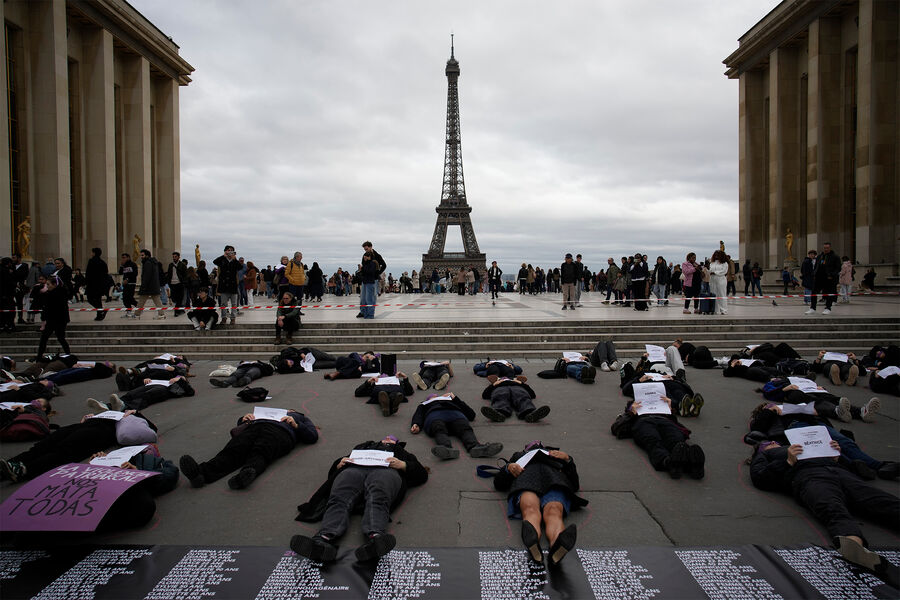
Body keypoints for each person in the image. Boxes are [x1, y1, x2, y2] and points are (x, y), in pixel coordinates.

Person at [749, 439, 899, 583]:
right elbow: (759, 477)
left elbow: (858, 469)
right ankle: (854, 544)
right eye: (768, 444)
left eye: (775, 442)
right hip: (809, 476)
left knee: (881, 501)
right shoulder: (767, 455)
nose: (773, 443)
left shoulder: (803, 446)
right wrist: (787, 462)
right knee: (831, 507)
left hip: (841, 473)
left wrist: (836, 456)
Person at [291, 436, 428, 563]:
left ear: (397, 444)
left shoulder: (401, 453)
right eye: (385, 437)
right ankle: (322, 540)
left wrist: (403, 465)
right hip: (354, 470)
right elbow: (336, 468)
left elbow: (421, 474)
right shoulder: (363, 447)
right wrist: (339, 463)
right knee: (339, 497)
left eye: (392, 439)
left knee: (378, 496)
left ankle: (376, 538)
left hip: (386, 470)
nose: (387, 439)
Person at [493, 441, 585, 566]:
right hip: (529, 480)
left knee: (552, 510)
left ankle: (557, 545)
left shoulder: (556, 455)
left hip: (553, 481)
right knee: (532, 508)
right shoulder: (518, 456)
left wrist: (568, 460)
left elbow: (574, 484)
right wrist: (508, 468)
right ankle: (534, 542)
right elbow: (499, 483)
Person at [0, 409, 158, 482]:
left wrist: (134, 412)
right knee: (46, 444)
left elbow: (151, 429)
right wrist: (91, 417)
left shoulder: (132, 420)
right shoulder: (111, 413)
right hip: (85, 425)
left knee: (63, 450)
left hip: (98, 433)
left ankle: (25, 470)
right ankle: (11, 464)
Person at [180, 409, 317, 490]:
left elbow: (312, 436)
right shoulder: (265, 411)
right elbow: (241, 423)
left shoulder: (301, 418)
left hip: (280, 432)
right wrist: (244, 419)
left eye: (292, 410)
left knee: (261, 452)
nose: (289, 410)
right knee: (234, 449)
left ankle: (245, 475)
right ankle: (200, 474)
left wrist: (296, 424)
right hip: (255, 427)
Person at [621, 394, 706, 479]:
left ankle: (690, 463)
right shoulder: (634, 403)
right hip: (644, 420)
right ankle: (667, 462)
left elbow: (673, 419)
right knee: (653, 440)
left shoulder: (663, 401)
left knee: (676, 441)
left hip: (665, 420)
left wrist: (670, 409)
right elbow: (621, 425)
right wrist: (632, 412)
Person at [409, 392, 502, 460]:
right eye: (432, 397)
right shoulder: (424, 404)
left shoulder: (451, 401)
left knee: (464, 428)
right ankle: (446, 448)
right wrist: (416, 424)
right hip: (435, 416)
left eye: (437, 396)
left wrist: (455, 398)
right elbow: (418, 415)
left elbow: (471, 414)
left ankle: (475, 447)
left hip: (455, 415)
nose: (435, 397)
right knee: (438, 428)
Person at [88, 375, 195, 413]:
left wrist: (179, 380)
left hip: (165, 389)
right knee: (132, 393)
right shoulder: (163, 371)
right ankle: (107, 406)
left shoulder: (180, 380)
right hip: (152, 383)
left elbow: (191, 392)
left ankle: (125, 406)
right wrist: (147, 379)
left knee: (146, 396)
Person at [480, 376, 550, 423]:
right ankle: (499, 413)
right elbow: (485, 395)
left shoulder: (517, 382)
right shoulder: (497, 383)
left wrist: (521, 383)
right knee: (500, 396)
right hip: (500, 388)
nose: (505, 378)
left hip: (517, 387)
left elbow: (532, 394)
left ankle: (530, 413)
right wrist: (494, 384)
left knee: (522, 396)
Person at [33, 276, 71, 361]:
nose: (47, 286)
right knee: (58, 338)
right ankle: (68, 354)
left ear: (54, 284)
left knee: (49, 338)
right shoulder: (57, 293)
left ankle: (39, 356)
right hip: (58, 320)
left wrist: (45, 318)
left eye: (48, 284)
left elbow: (48, 308)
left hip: (56, 320)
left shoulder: (55, 294)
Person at [213, 245, 241, 325]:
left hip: (233, 285)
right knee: (223, 303)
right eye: (228, 250)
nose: (230, 252)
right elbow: (215, 262)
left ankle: (233, 318)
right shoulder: (222, 260)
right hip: (224, 285)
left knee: (234, 303)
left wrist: (235, 259)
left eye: (231, 250)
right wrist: (223, 256)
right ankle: (224, 317)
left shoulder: (234, 261)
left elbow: (240, 267)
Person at [135, 249, 165, 319]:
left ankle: (137, 314)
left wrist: (143, 286)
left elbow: (146, 276)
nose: (141, 257)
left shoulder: (147, 263)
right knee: (157, 301)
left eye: (142, 255)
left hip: (148, 286)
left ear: (147, 255)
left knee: (141, 301)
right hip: (153, 286)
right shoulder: (153, 263)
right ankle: (161, 314)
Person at [210, 360, 275, 389]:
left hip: (257, 368)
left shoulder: (262, 365)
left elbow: (270, 370)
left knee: (249, 374)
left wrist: (261, 363)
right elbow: (239, 366)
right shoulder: (244, 364)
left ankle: (242, 382)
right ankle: (224, 383)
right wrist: (242, 363)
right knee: (235, 374)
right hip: (244, 367)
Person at [85, 248, 109, 320]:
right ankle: (99, 314)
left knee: (90, 298)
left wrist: (86, 282)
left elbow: (88, 273)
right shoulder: (103, 262)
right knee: (98, 299)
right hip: (100, 285)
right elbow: (106, 274)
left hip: (92, 284)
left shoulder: (91, 261)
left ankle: (100, 311)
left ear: (94, 253)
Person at [356, 251, 378, 319]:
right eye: (364, 257)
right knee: (364, 299)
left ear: (369, 257)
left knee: (369, 299)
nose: (365, 258)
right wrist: (360, 270)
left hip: (370, 283)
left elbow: (370, 272)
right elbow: (362, 273)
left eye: (366, 256)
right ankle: (365, 313)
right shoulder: (365, 264)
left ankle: (370, 314)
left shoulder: (372, 263)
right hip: (365, 282)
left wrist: (363, 269)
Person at [166, 252, 188, 316]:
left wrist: (184, 283)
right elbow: (169, 274)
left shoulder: (182, 265)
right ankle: (180, 310)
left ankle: (176, 311)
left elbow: (185, 275)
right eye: (173, 257)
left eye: (175, 257)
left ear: (178, 257)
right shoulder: (171, 265)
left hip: (179, 283)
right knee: (174, 298)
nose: (174, 258)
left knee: (179, 298)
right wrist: (168, 282)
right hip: (172, 284)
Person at [709, 250, 729, 314]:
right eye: (715, 255)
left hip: (721, 279)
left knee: (721, 294)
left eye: (718, 255)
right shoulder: (712, 263)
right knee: (714, 294)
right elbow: (710, 270)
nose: (716, 256)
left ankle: (723, 310)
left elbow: (724, 271)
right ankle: (715, 309)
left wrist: (715, 272)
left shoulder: (724, 263)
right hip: (712, 280)